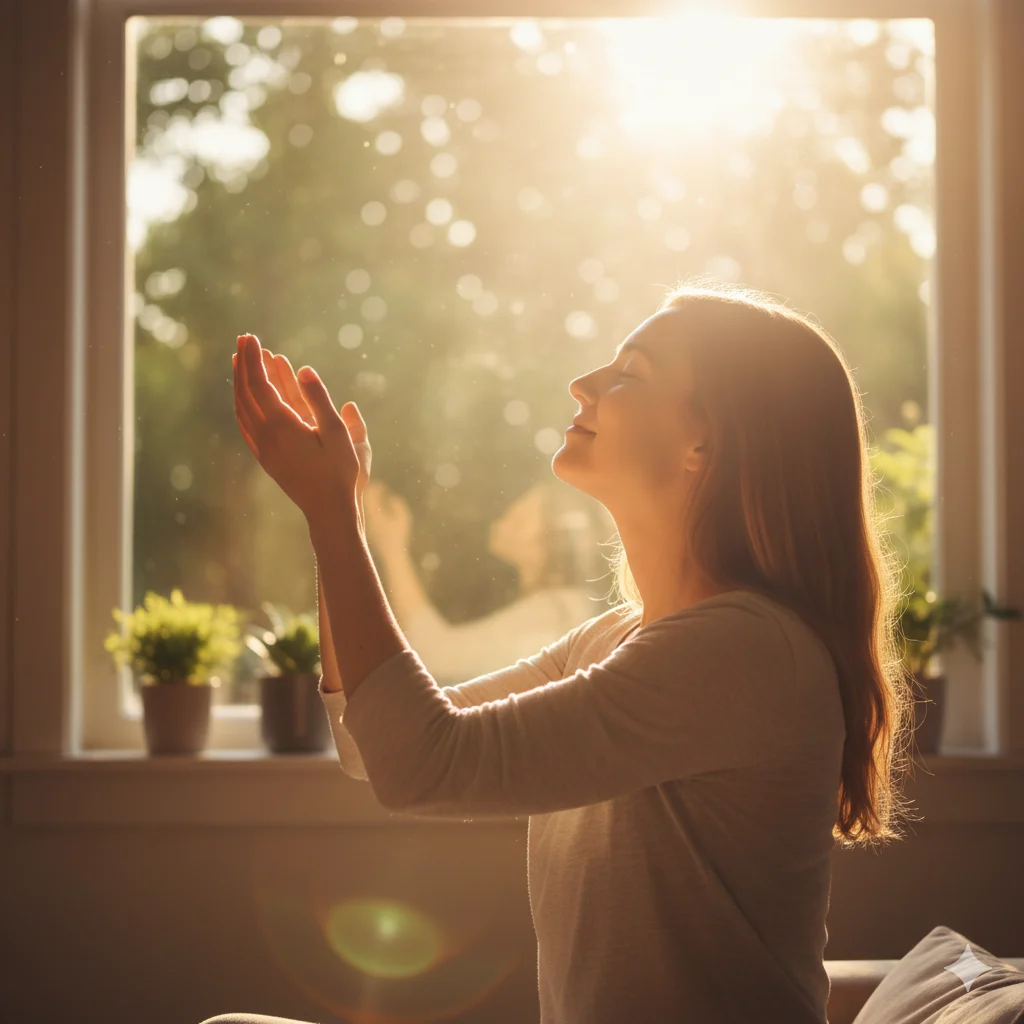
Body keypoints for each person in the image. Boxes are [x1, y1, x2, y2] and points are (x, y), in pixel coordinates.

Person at [216, 280, 917, 1024]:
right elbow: (372, 743)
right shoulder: (616, 638)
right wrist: (338, 511)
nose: (582, 385)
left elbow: (420, 763)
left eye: (629, 374)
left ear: (704, 441)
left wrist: (332, 514)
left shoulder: (749, 651)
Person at [360, 476, 611, 682]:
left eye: (524, 516)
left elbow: (434, 656)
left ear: (553, 542)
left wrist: (392, 546)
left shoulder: (556, 614)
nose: (510, 511)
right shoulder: (560, 608)